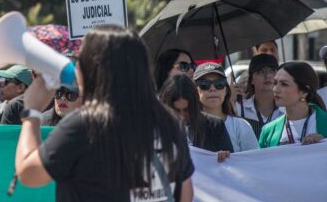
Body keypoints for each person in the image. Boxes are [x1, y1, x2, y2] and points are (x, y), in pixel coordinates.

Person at [15, 26, 194, 201]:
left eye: (81, 62)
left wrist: (32, 112)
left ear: (93, 69)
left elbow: (29, 174)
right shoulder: (171, 122)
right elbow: (186, 195)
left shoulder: (84, 125)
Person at [259, 62, 327, 148]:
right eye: (275, 83)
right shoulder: (268, 131)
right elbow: (262, 162)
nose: (275, 89)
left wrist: (325, 142)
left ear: (304, 92)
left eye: (284, 84)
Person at [159, 74, 234, 158]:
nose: (182, 116)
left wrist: (224, 156)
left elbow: (231, 164)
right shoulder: (156, 130)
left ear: (195, 106)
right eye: (176, 111)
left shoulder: (215, 126)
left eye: (187, 110)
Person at [193, 63, 258, 152]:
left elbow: (253, 161)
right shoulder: (186, 127)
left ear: (226, 90)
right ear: (194, 90)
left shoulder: (241, 126)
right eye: (204, 84)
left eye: (219, 84)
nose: (212, 89)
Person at [235, 54, 283, 137]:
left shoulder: (286, 110)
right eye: (260, 71)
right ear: (251, 80)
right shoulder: (239, 108)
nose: (267, 75)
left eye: (272, 71)